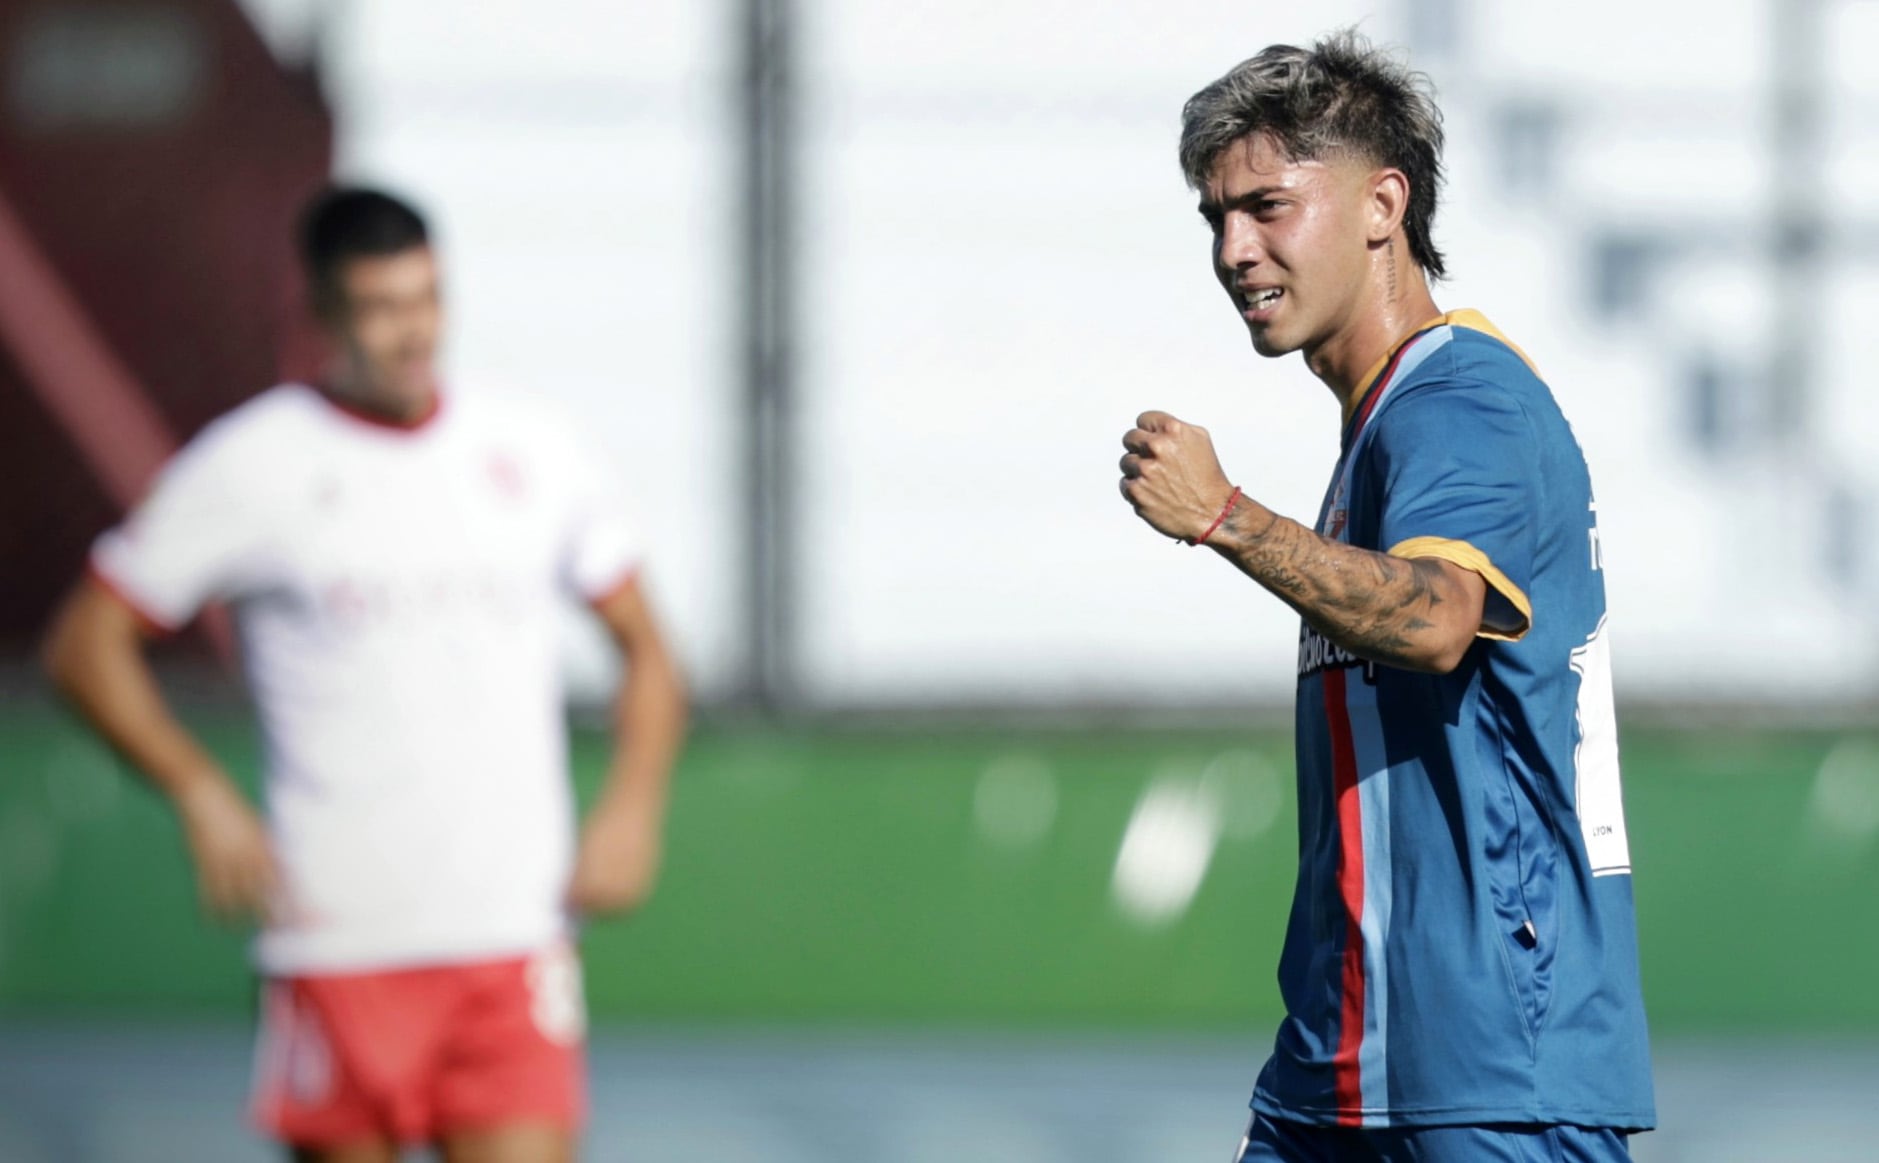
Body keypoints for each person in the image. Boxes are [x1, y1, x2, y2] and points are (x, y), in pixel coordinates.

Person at [42, 186, 689, 1163]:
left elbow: (646, 647)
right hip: (341, 942)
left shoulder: (533, 449)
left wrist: (634, 801)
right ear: (324, 316)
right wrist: (198, 789)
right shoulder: (252, 466)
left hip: (511, 936)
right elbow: (84, 645)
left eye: (427, 300)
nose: (412, 331)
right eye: (382, 308)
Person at [1117, 32, 1654, 1163]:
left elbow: (1437, 617)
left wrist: (1227, 517)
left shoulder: (1461, 399)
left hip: (1488, 1072)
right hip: (1341, 1067)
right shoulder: (1383, 425)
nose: (1233, 249)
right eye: (1215, 217)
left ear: (1382, 204)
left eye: (1266, 206)